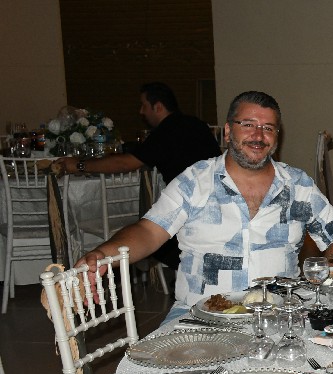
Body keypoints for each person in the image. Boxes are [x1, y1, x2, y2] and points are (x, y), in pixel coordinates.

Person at [75, 91, 333, 320]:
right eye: (248, 124)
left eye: (268, 128)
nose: (258, 135)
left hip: (277, 316)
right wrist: (102, 254)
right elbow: (148, 231)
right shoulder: (195, 181)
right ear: (228, 131)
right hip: (200, 316)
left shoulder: (297, 185)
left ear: (277, 136)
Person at [56, 82, 222, 267]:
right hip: (218, 203)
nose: (141, 111)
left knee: (150, 240)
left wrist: (79, 165)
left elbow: (125, 163)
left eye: (144, 105)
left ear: (157, 106)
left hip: (190, 214)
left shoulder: (166, 130)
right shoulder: (196, 124)